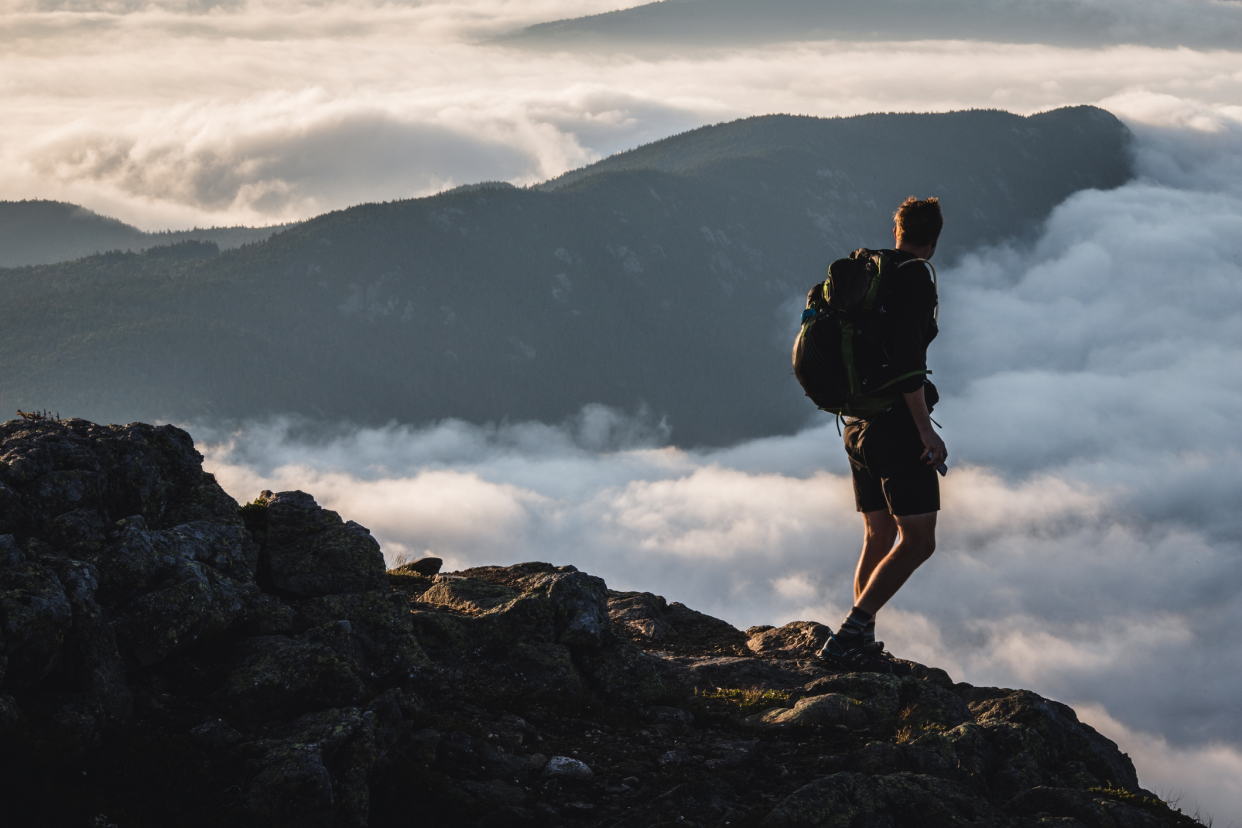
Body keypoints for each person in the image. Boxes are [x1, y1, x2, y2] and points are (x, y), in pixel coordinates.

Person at [816, 196, 947, 674]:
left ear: (897, 231)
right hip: (894, 426)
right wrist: (925, 430)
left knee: (879, 531)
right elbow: (909, 361)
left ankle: (858, 640)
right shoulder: (913, 279)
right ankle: (850, 632)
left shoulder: (868, 270)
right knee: (919, 540)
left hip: (856, 426)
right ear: (932, 241)